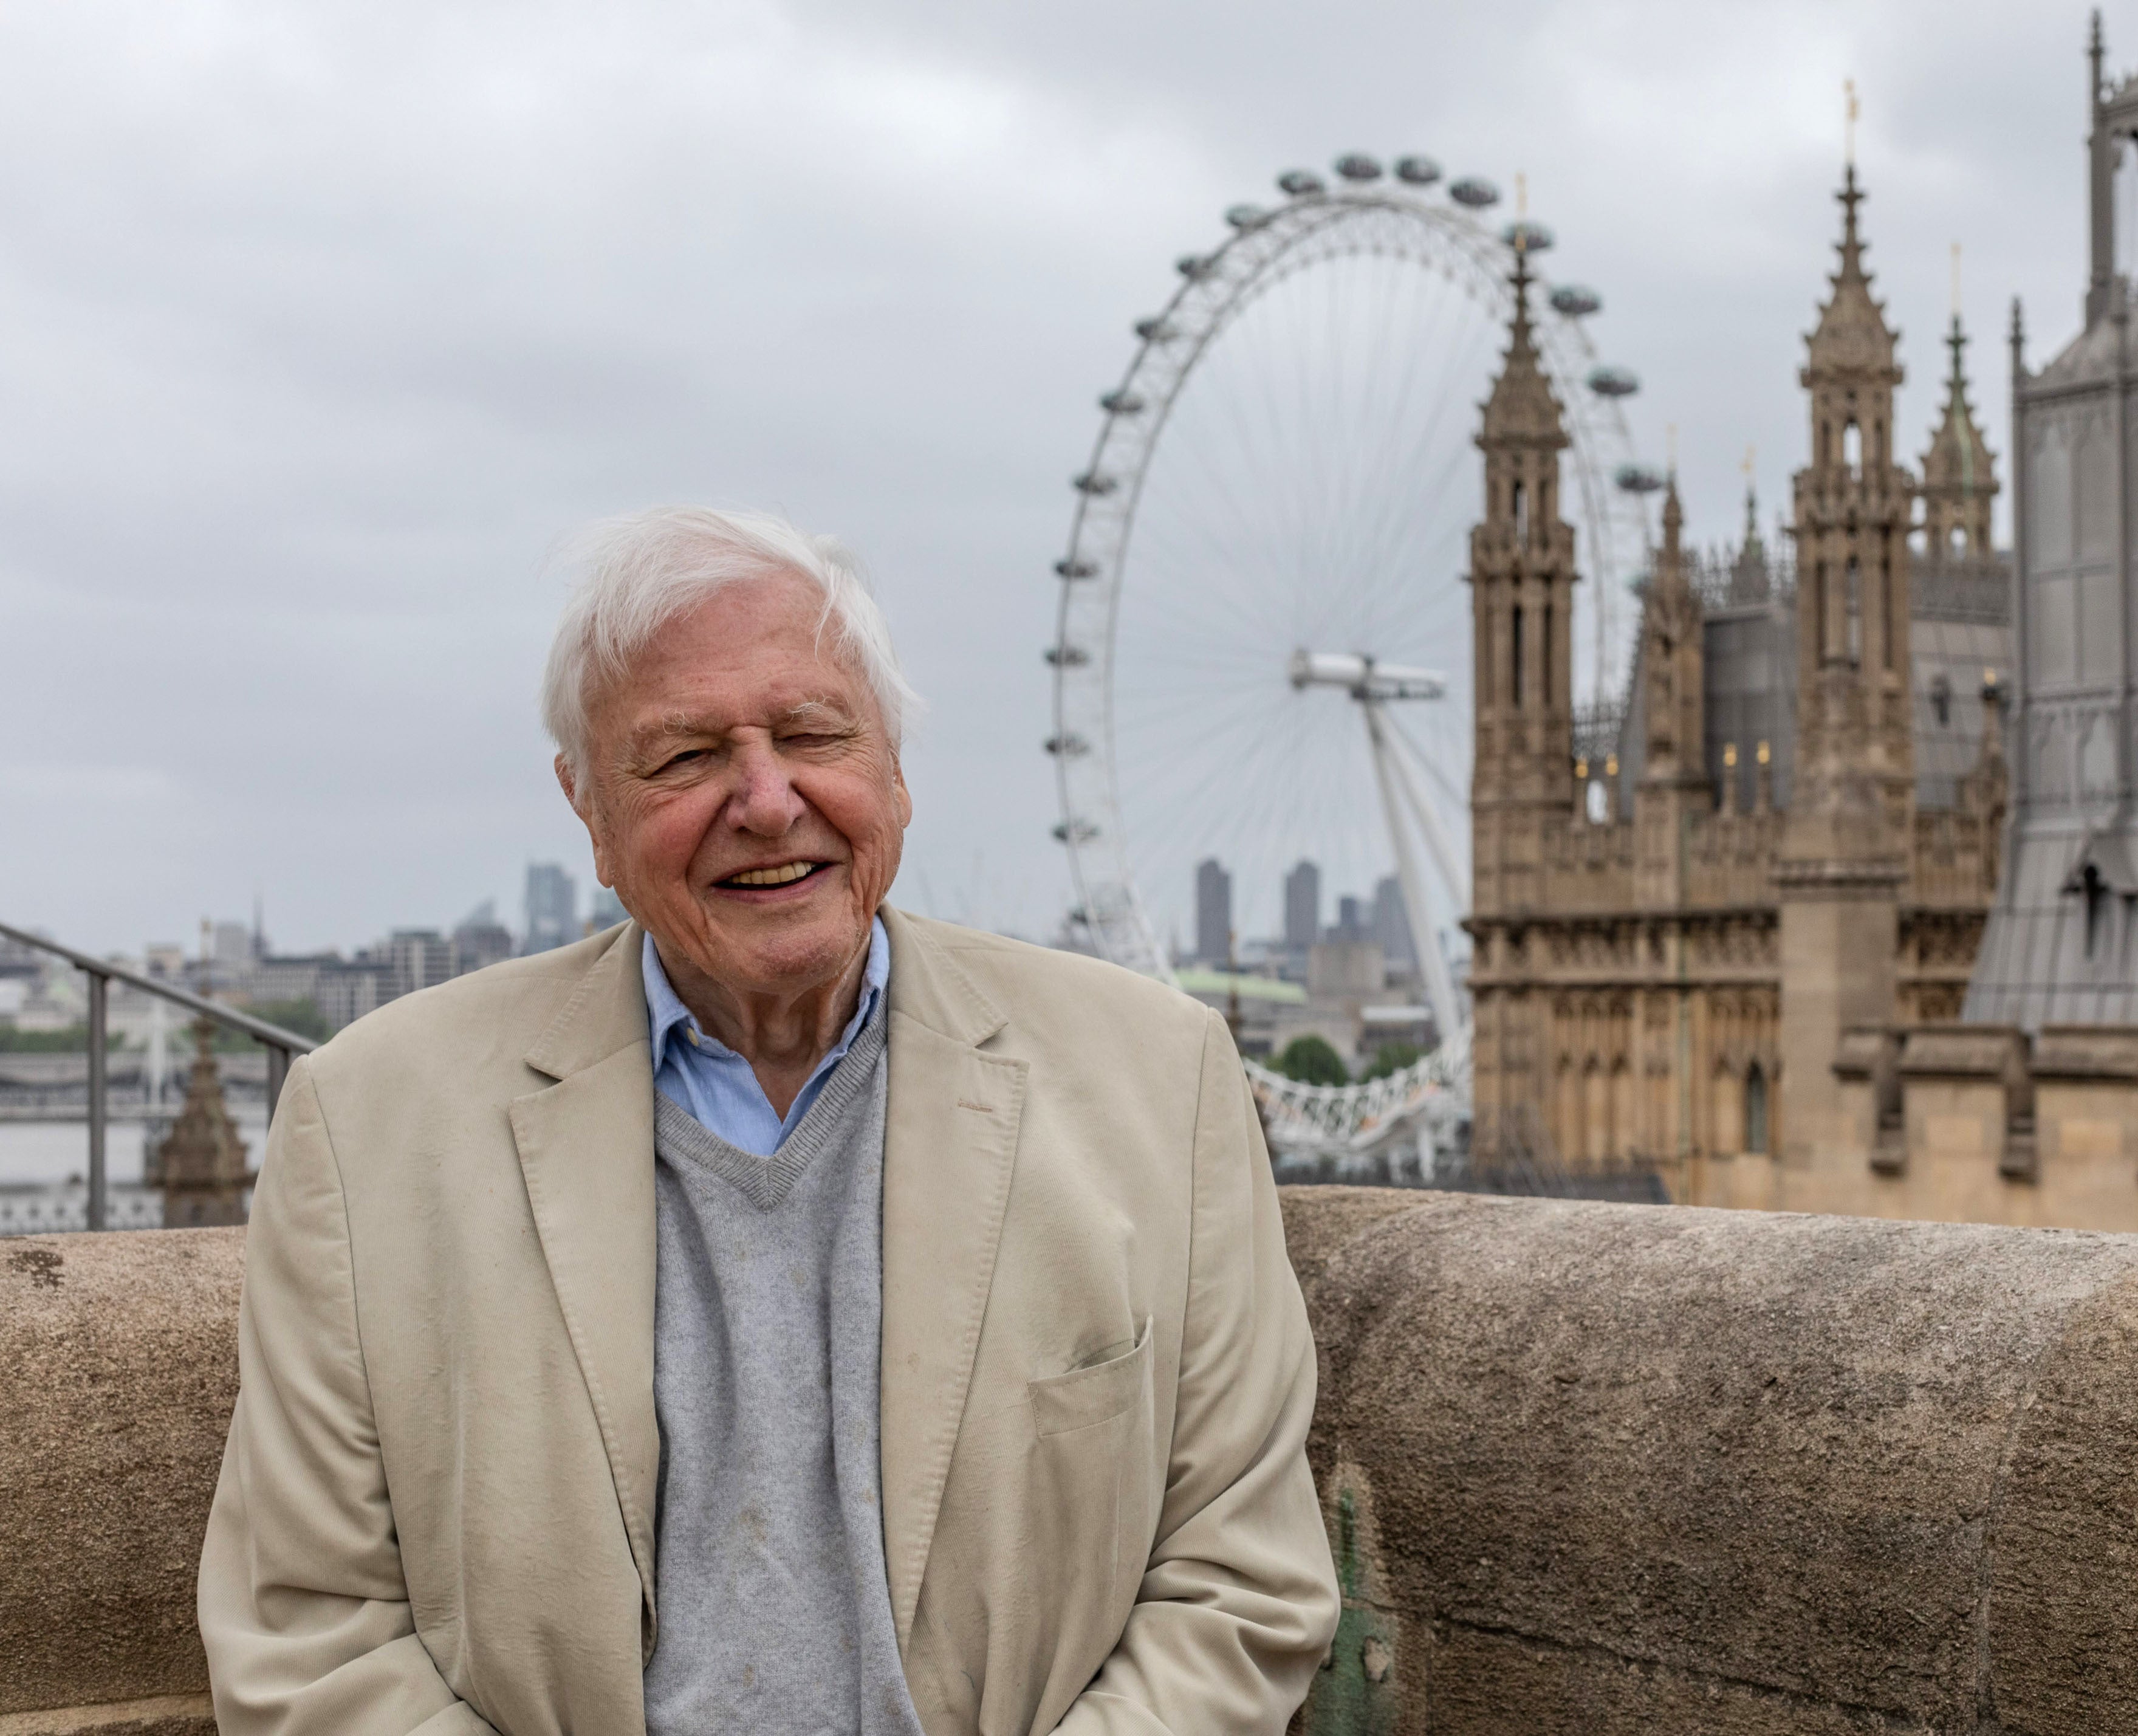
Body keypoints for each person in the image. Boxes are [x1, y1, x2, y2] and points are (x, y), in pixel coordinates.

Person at [198, 507, 1338, 1734]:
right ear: (588, 811)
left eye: (811, 734)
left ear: (894, 767)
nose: (765, 798)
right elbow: (312, 1635)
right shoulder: (365, 1125)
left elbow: (1237, 1582)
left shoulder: (1160, 1079)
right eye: (684, 757)